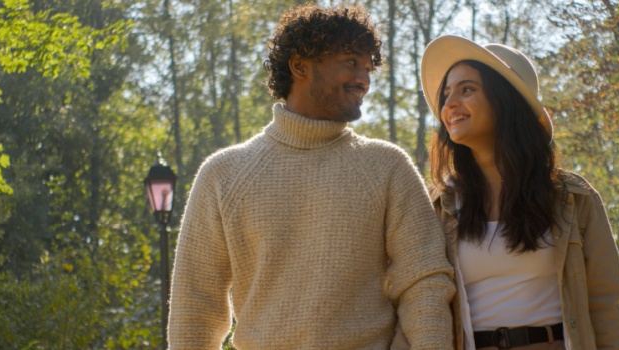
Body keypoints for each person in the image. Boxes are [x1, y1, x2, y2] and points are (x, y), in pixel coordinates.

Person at [167, 4, 455, 350]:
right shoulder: (223, 175)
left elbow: (424, 283)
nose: (363, 79)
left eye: (368, 68)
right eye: (351, 61)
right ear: (299, 65)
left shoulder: (387, 167)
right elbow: (195, 307)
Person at [419, 35, 619, 350]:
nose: (448, 105)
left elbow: (604, 309)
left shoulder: (574, 198)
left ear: (506, 101)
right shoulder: (436, 207)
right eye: (446, 93)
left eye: (467, 89)